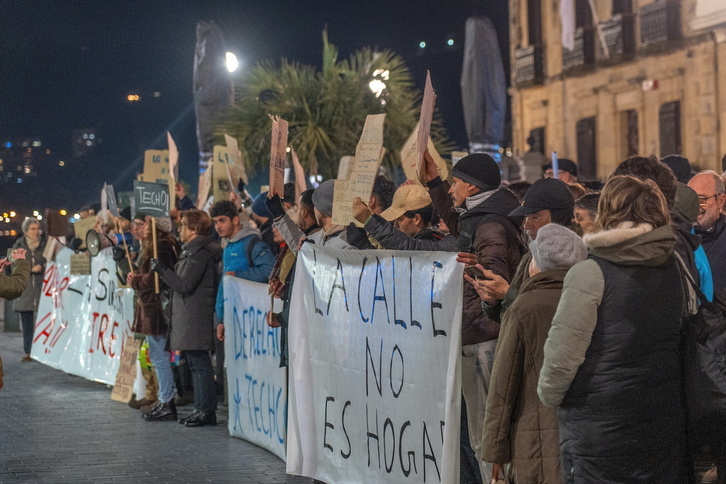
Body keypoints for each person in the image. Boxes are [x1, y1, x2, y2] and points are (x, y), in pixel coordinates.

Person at [538, 175, 688, 483]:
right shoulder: (673, 264)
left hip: (599, 426)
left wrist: (549, 395)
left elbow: (562, 355)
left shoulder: (590, 273)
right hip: (662, 414)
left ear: (607, 212)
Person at [422, 150, 523, 482]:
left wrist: (476, 272)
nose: (451, 190)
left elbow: (492, 287)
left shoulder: (491, 224)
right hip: (481, 338)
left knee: (486, 439)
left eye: (453, 183)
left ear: (471, 187)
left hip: (483, 342)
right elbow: (458, 225)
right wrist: (434, 181)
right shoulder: (483, 216)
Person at [480, 224, 587, 484]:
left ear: (536, 265)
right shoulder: (591, 301)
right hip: (585, 436)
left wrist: (495, 452)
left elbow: (503, 386)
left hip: (534, 438)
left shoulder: (524, 307)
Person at [151, 210, 222, 427]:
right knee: (194, 363)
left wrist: (163, 270)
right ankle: (200, 409)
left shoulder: (200, 253)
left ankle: (206, 410)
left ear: (195, 229)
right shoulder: (191, 251)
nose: (179, 229)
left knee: (200, 365)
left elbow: (185, 285)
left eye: (183, 226)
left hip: (196, 315)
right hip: (190, 315)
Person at [126, 217, 180, 422]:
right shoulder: (155, 246)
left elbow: (156, 278)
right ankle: (164, 398)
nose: (143, 228)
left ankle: (167, 400)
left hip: (157, 308)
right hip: (151, 306)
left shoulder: (162, 246)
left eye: (148, 223)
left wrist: (137, 280)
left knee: (160, 357)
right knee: (158, 357)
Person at [211, 200, 276, 343]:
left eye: (222, 221)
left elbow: (268, 270)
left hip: (247, 321)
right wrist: (221, 320)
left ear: (235, 220)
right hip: (229, 319)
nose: (218, 226)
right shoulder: (228, 246)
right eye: (215, 222)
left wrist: (237, 276)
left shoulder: (252, 243)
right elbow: (224, 286)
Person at [350, 184, 455, 251]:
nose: (396, 225)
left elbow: (407, 247)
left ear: (417, 219)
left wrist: (369, 221)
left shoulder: (435, 245)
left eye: (400, 219)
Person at [13, 218, 46, 362]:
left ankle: (43, 352)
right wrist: (30, 269)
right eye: (32, 229)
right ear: (26, 231)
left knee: (43, 323)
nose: (36, 231)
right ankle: (28, 352)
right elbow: (11, 267)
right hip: (25, 291)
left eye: (37, 228)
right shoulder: (17, 245)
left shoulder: (45, 245)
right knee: (27, 324)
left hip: (42, 290)